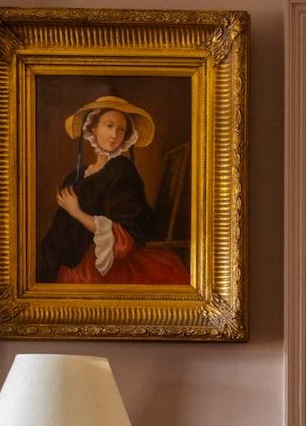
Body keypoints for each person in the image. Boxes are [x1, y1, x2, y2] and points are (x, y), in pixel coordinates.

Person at [36, 95, 191, 285]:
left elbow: (123, 234)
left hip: (104, 263)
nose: (114, 134)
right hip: (69, 259)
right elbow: (60, 232)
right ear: (93, 128)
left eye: (121, 129)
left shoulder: (122, 169)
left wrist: (76, 212)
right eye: (109, 125)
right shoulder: (75, 176)